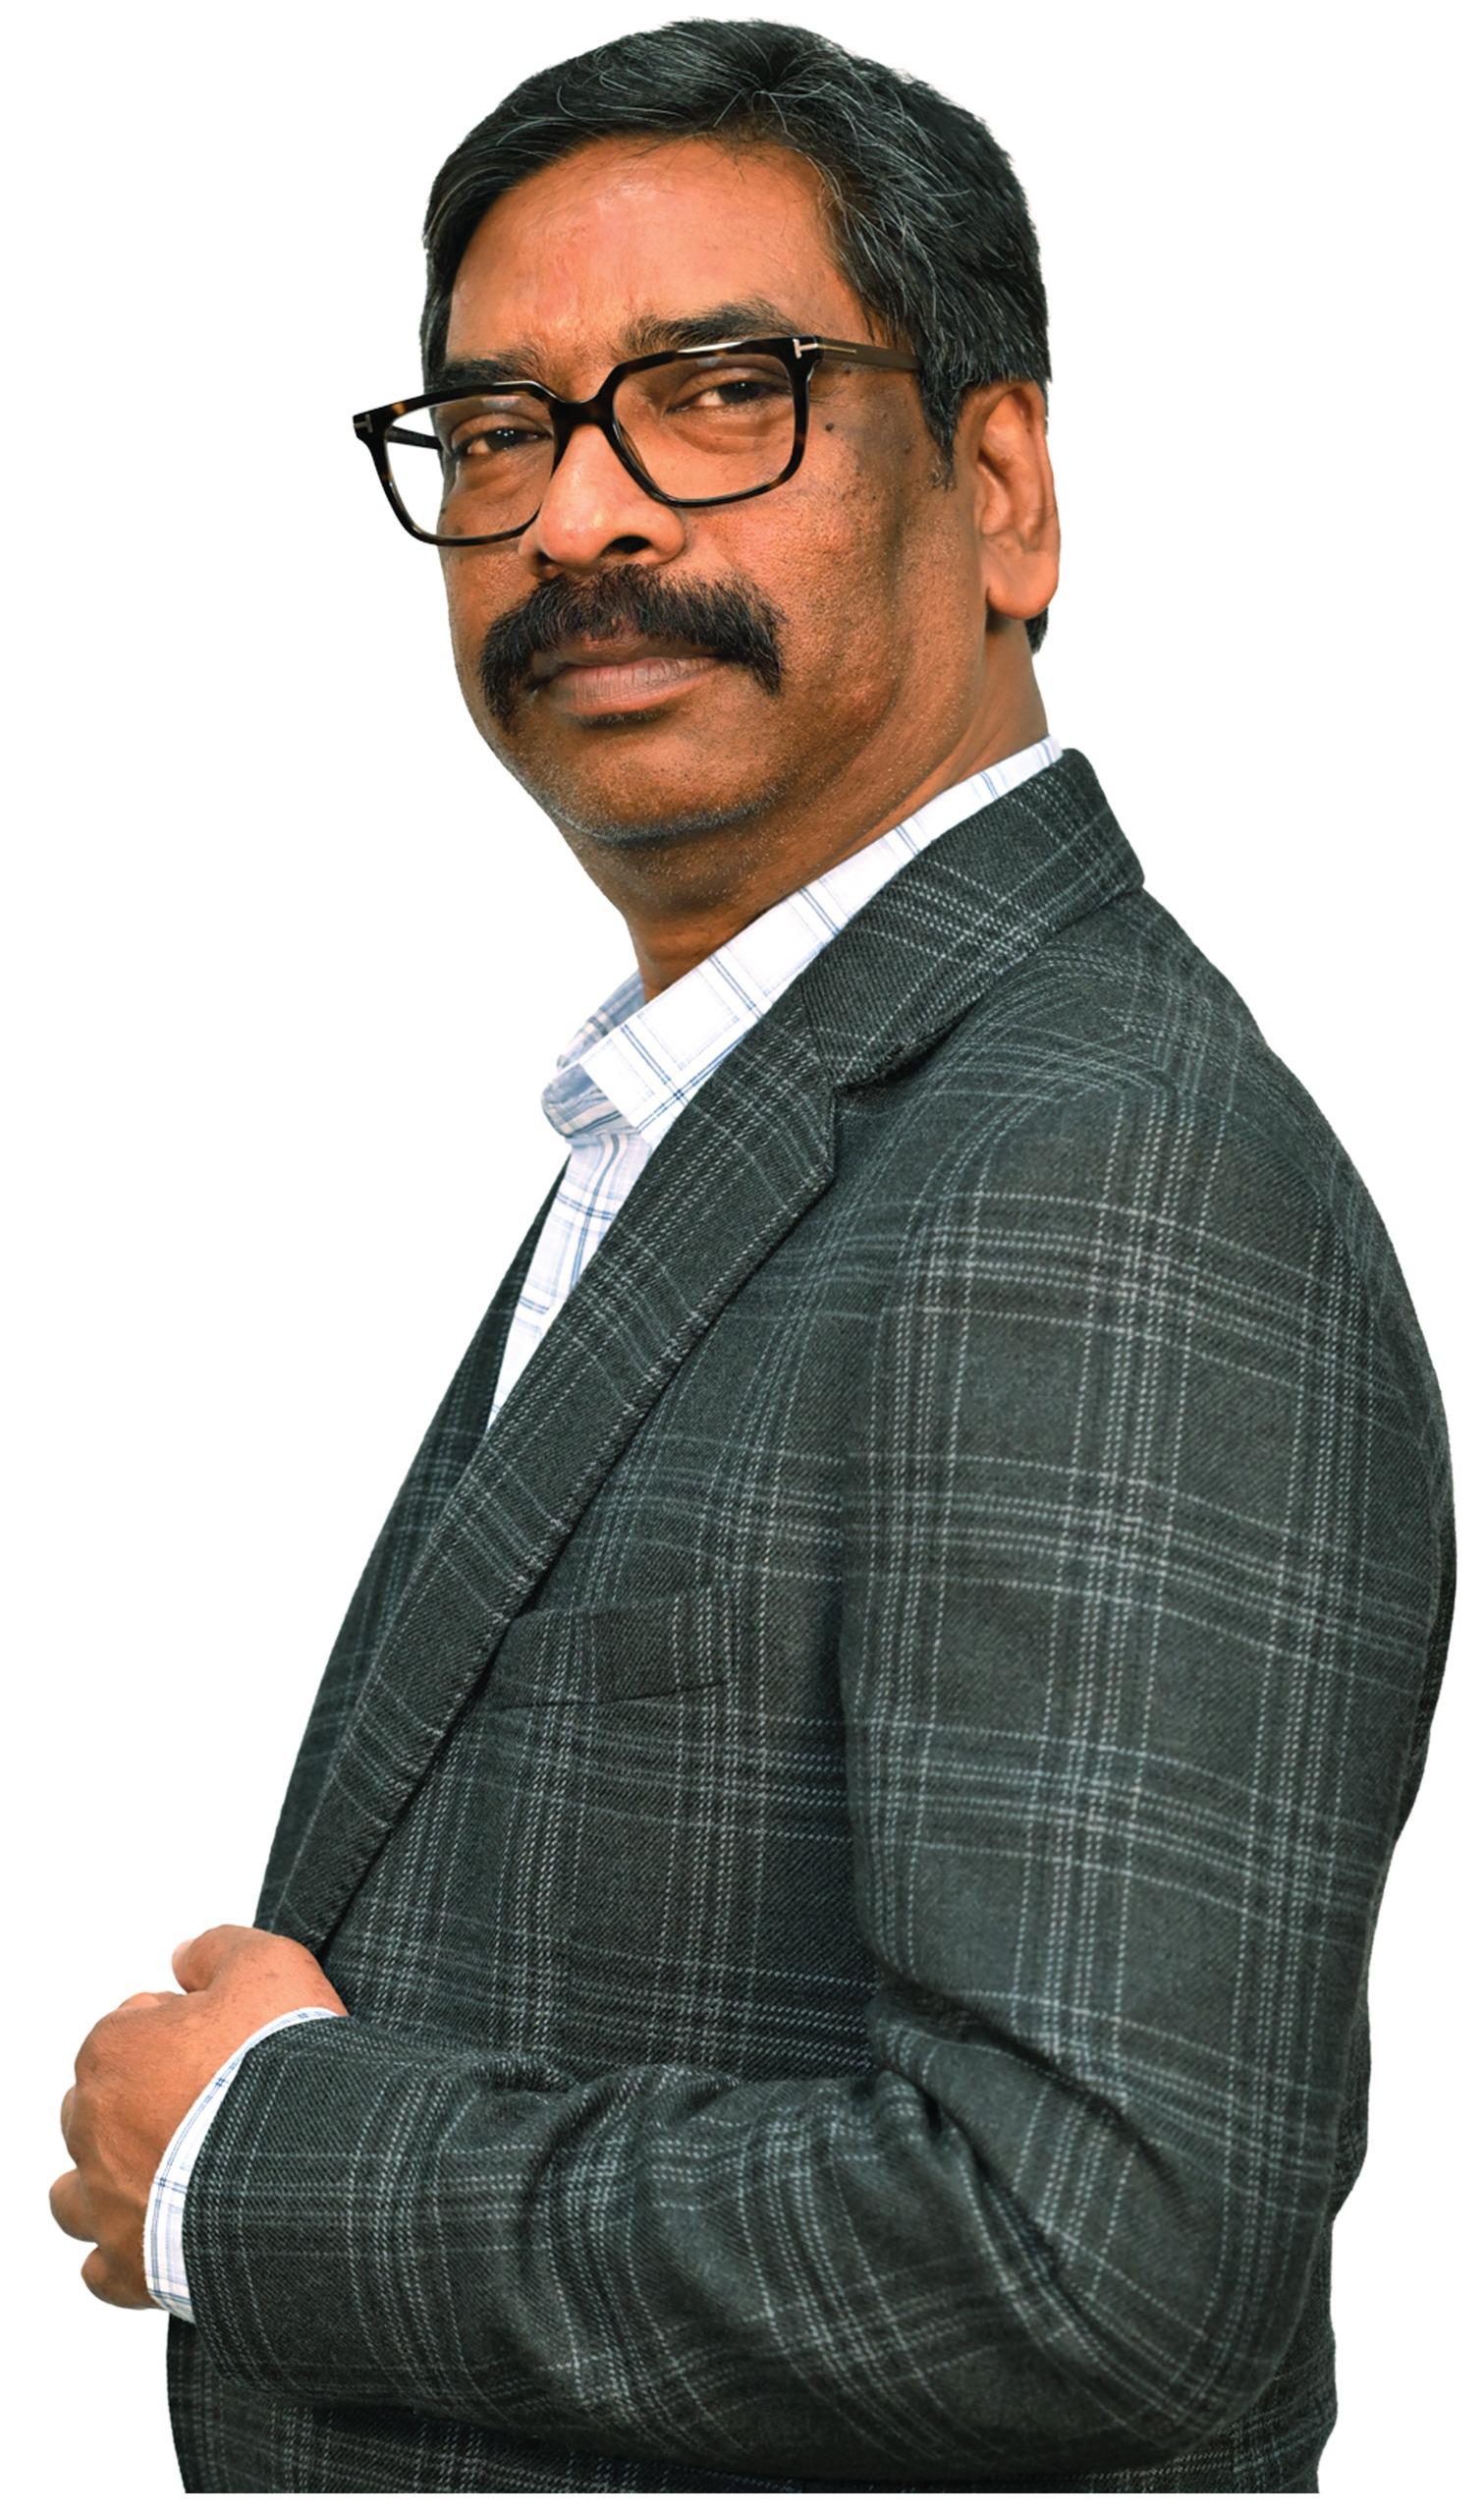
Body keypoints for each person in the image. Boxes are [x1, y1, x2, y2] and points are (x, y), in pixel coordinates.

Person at [50, 18, 1455, 2493]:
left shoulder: (1098, 1160)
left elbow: (1100, 2264)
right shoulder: (762, 1096)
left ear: (1002, 493)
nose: (579, 514)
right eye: (500, 429)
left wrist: (260, 2155)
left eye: (720, 396)